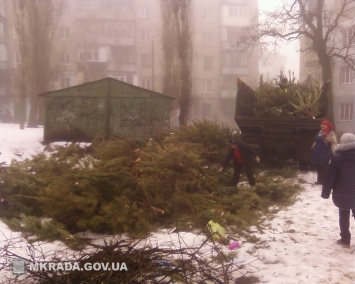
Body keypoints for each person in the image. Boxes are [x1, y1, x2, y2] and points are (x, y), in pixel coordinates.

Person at [321, 132, 355, 248]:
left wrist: (325, 193)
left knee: (344, 214)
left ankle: (345, 240)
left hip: (342, 193)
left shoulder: (337, 158)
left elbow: (330, 177)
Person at [311, 119, 337, 185]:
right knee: (318, 166)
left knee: (324, 166)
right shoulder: (319, 132)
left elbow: (334, 142)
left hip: (325, 152)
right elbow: (316, 141)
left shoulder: (331, 133)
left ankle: (324, 181)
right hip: (317, 152)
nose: (322, 126)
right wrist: (312, 147)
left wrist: (334, 151)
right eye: (321, 124)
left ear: (327, 126)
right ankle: (319, 180)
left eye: (324, 124)